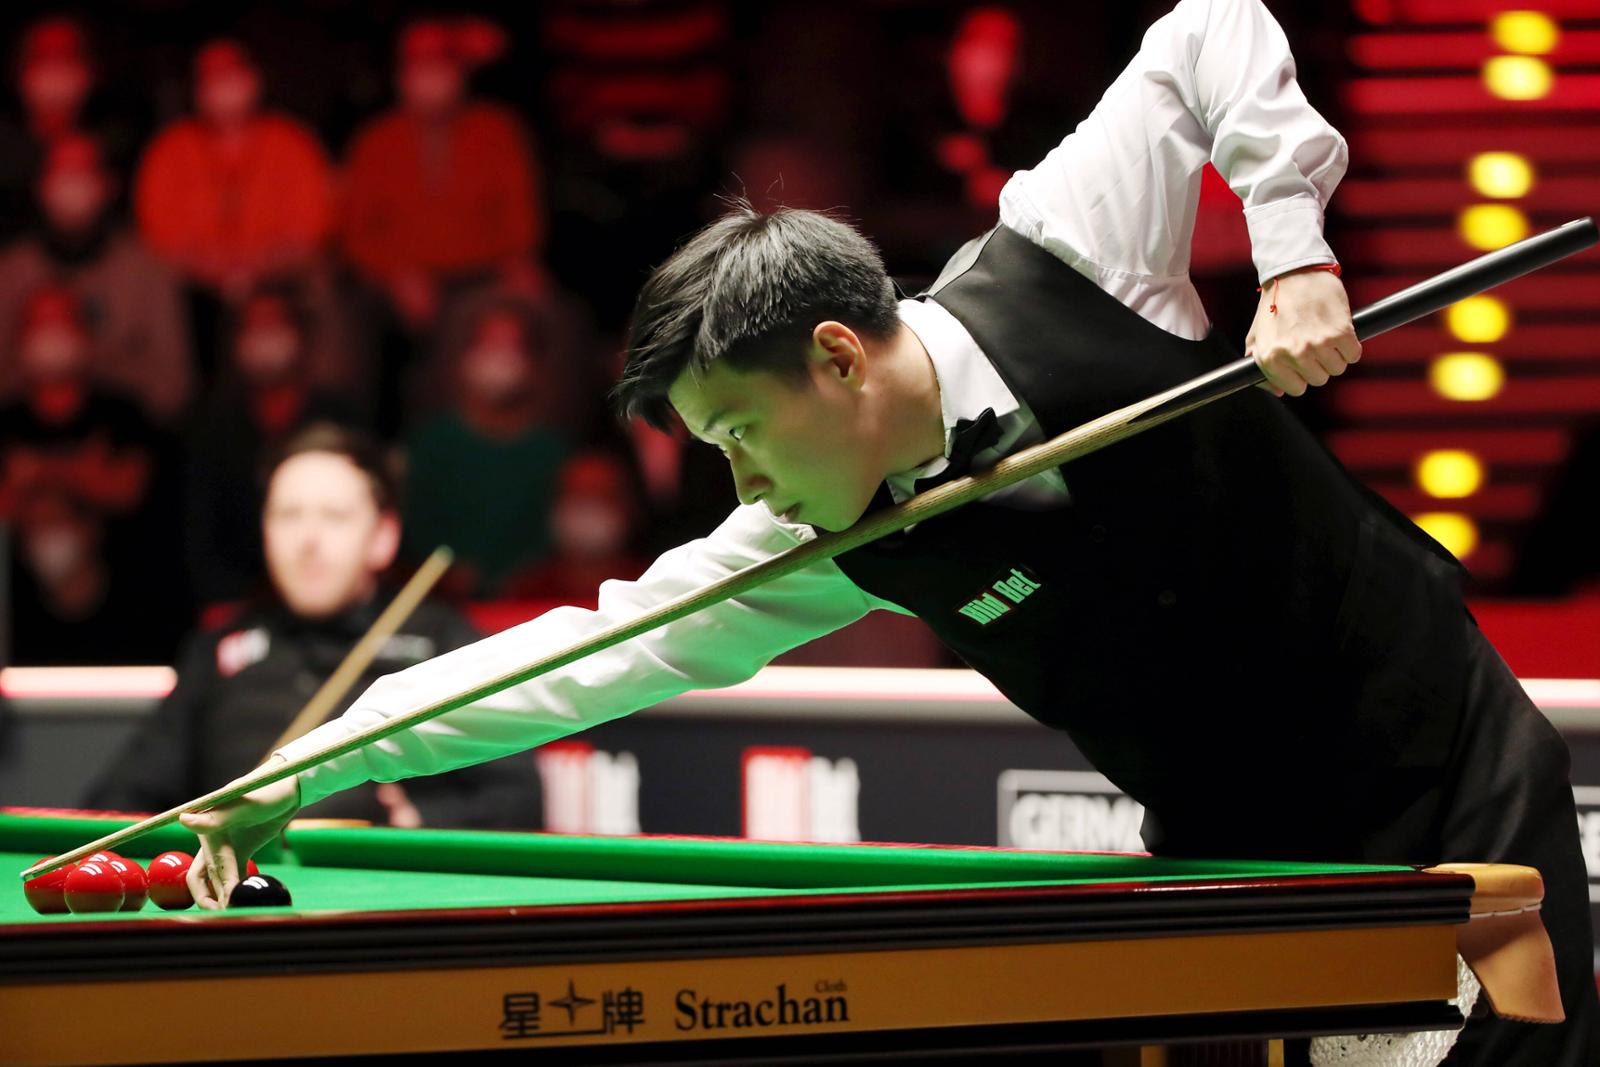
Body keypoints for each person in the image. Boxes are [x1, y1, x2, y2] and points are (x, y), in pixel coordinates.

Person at [179, 2, 1595, 1062]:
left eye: (741, 432)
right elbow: (584, 654)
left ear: (840, 356)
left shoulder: (1065, 247)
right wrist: (307, 765)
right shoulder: (816, 533)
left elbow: (1207, 31)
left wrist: (1292, 251)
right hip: (1230, 861)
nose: (739, 481)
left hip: (1446, 784)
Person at [90, 423, 540, 829]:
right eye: (288, 515)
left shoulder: (442, 641)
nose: (308, 539)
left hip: (383, 887)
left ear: (382, 537)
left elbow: (521, 799)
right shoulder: (220, 648)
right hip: (241, 888)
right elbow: (121, 799)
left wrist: (415, 819)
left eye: (334, 516)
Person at [185, 283, 361, 606]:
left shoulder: (342, 423)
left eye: (273, 324)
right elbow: (199, 534)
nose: (264, 337)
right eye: (253, 326)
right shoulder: (210, 429)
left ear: (301, 334)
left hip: (335, 602)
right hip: (237, 605)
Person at [0, 133, 192, 425]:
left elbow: (174, 385)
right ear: (40, 185)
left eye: (83, 171)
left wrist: (84, 364)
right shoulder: (9, 272)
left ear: (109, 184)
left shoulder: (148, 271)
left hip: (127, 433)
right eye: (61, 171)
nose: (71, 183)